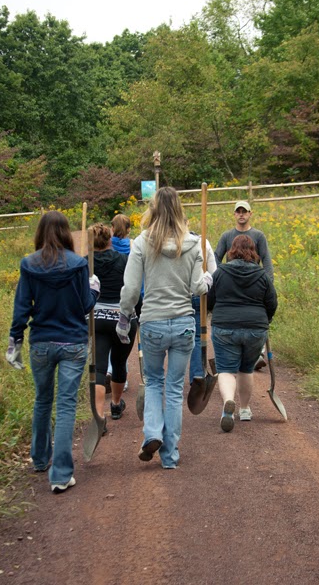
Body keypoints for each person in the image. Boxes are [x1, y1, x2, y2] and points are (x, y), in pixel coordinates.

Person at [117, 187, 212, 469]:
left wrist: (124, 317)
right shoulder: (194, 244)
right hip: (184, 323)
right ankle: (170, 456)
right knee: (173, 388)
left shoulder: (141, 243)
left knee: (155, 382)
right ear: (180, 209)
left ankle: (152, 434)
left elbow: (132, 289)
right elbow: (198, 288)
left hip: (153, 323)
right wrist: (207, 279)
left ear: (153, 209)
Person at [7, 210, 100, 493]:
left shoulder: (29, 264)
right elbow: (85, 305)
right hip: (72, 342)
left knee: (43, 399)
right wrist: (94, 290)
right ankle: (60, 475)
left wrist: (15, 341)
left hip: (41, 343)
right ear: (65, 233)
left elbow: (22, 306)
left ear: (40, 233)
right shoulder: (77, 264)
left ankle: (39, 458)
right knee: (67, 405)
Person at [208, 234, 277, 431]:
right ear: (253, 252)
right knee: (246, 369)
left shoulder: (220, 272)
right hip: (255, 328)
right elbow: (272, 302)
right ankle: (245, 409)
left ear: (231, 251)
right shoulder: (262, 275)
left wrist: (214, 311)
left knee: (226, 369)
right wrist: (266, 319)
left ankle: (228, 402)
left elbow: (210, 300)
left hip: (225, 327)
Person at [215, 200, 273, 370]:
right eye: (238, 211)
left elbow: (267, 260)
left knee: (256, 315)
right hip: (231, 284)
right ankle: (238, 357)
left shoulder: (258, 236)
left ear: (250, 214)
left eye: (244, 211)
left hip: (253, 283)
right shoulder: (226, 236)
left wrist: (269, 283)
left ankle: (258, 353)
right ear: (234, 214)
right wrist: (220, 275)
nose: (241, 214)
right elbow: (216, 257)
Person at [90, 223, 138, 422]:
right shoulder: (124, 260)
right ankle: (116, 405)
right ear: (111, 240)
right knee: (119, 363)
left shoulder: (86, 263)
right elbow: (133, 288)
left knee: (100, 368)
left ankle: (99, 415)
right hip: (123, 317)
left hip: (97, 318)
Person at [188, 219, 217, 385]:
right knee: (198, 337)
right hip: (199, 295)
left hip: (179, 297)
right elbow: (214, 272)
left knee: (182, 337)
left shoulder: (175, 244)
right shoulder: (203, 243)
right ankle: (197, 376)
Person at [107, 214, 133, 391]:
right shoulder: (132, 247)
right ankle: (121, 377)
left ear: (112, 228)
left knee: (109, 338)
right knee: (123, 339)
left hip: (109, 294)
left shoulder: (107, 245)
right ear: (129, 229)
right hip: (128, 295)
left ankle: (110, 369)